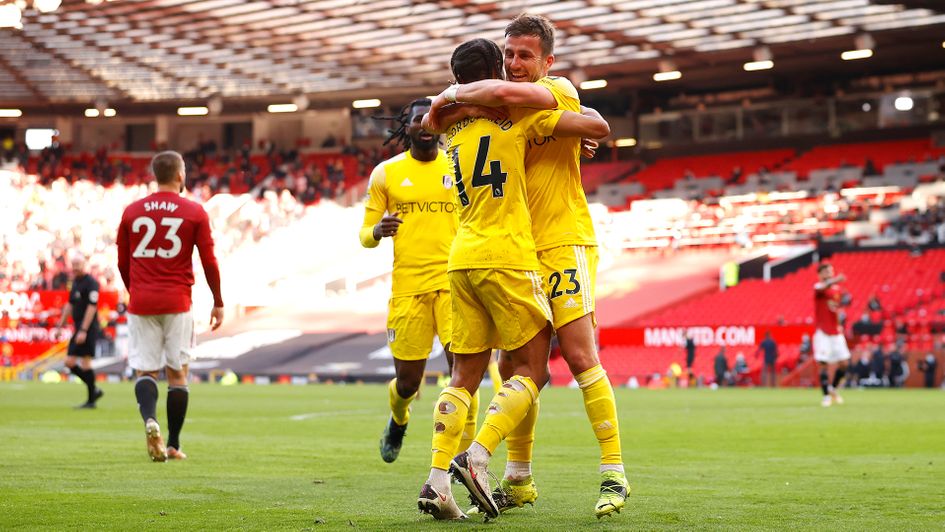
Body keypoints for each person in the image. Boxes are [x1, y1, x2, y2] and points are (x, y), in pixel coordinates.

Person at [424, 13, 628, 518]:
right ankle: (518, 477)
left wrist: (448, 96)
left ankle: (614, 474)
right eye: (509, 54)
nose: (515, 64)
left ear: (547, 61)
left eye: (525, 56)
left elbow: (596, 125)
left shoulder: (554, 89)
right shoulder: (496, 111)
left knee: (579, 356)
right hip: (516, 250)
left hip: (561, 241)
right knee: (513, 366)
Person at [359, 98, 484, 464]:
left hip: (453, 284)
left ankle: (467, 462)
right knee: (408, 384)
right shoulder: (386, 173)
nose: (426, 126)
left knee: (463, 374)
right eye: (418, 120)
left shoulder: (460, 165)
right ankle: (399, 419)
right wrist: (378, 231)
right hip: (408, 289)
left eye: (432, 120)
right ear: (407, 126)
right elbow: (364, 235)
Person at [116, 151, 224, 462]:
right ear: (179, 175)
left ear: (154, 175)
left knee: (145, 370)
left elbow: (123, 262)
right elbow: (209, 261)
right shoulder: (194, 211)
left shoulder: (132, 211)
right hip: (177, 301)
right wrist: (217, 301)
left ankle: (151, 421)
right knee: (178, 375)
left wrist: (135, 290)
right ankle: (174, 444)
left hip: (142, 300)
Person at [56, 255, 104, 408]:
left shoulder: (91, 283)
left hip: (88, 328)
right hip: (78, 328)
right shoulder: (75, 282)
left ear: (85, 264)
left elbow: (92, 306)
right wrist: (60, 325)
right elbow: (70, 305)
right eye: (74, 264)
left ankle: (91, 399)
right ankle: (93, 390)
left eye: (78, 264)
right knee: (70, 362)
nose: (75, 267)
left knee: (85, 362)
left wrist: (84, 330)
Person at [813, 262, 851, 407]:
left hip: (836, 331)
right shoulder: (818, 287)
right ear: (821, 274)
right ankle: (826, 396)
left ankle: (832, 388)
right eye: (827, 272)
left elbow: (840, 305)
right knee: (824, 364)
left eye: (831, 271)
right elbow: (821, 287)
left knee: (844, 363)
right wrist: (836, 279)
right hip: (823, 331)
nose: (830, 274)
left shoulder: (837, 290)